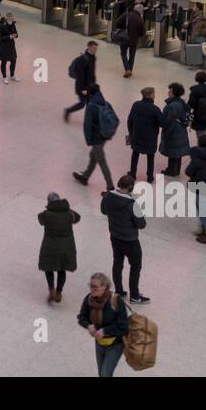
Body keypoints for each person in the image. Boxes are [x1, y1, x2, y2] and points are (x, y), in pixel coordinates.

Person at [100, 174, 148, 304]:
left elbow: (103, 211)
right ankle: (134, 295)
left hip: (115, 236)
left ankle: (119, 292)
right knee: (135, 266)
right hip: (130, 240)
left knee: (117, 262)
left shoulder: (108, 196)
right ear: (131, 187)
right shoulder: (132, 204)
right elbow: (142, 224)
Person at [77, 272, 130, 378]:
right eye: (90, 286)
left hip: (115, 344)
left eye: (95, 287)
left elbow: (123, 326)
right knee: (101, 373)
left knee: (105, 373)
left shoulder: (115, 300)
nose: (91, 289)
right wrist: (88, 325)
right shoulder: (89, 299)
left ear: (104, 287)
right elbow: (81, 317)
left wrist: (105, 331)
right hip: (99, 343)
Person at [72, 84, 117, 190]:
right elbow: (115, 119)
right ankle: (85, 176)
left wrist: (88, 140)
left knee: (101, 161)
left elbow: (87, 125)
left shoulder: (91, 106)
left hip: (96, 138)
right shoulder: (106, 103)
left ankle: (110, 187)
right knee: (93, 156)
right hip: (104, 135)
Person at [38, 192, 80, 304]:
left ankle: (51, 289)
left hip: (50, 246)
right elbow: (78, 218)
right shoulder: (69, 213)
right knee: (62, 269)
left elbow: (40, 220)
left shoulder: (46, 214)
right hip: (66, 247)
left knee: (48, 268)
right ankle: (59, 292)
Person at [126, 87, 163, 184]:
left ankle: (133, 174)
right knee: (150, 157)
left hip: (137, 135)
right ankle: (149, 176)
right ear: (150, 95)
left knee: (135, 154)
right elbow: (162, 123)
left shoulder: (136, 105)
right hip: (150, 137)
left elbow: (130, 120)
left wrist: (131, 132)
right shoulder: (155, 109)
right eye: (154, 93)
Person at [160, 82, 191, 177]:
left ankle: (171, 171)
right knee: (178, 153)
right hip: (181, 131)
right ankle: (176, 170)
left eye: (170, 91)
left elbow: (169, 122)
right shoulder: (181, 103)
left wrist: (166, 132)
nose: (169, 92)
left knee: (172, 152)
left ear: (174, 93)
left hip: (174, 132)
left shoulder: (172, 106)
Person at [63, 40, 98, 122]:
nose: (95, 50)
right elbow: (80, 76)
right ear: (89, 47)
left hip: (90, 85)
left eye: (96, 48)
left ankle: (91, 120)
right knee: (82, 104)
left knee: (91, 103)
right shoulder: (83, 60)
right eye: (94, 48)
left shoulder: (93, 57)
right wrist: (83, 89)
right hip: (82, 86)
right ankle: (68, 111)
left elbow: (91, 72)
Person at [114, 3, 146, 78]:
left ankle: (127, 69)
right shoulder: (140, 19)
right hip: (134, 41)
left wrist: (121, 30)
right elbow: (143, 33)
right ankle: (130, 70)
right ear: (141, 12)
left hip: (125, 38)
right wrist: (137, 35)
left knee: (123, 54)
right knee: (132, 56)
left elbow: (117, 22)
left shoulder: (126, 15)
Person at [0, 12, 19, 83]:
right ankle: (4, 77)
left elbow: (16, 34)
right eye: (9, 19)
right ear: (6, 19)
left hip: (11, 46)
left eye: (12, 19)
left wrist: (15, 35)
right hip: (3, 47)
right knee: (4, 62)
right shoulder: (1, 26)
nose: (11, 21)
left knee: (13, 60)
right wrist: (9, 37)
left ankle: (12, 75)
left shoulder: (13, 24)